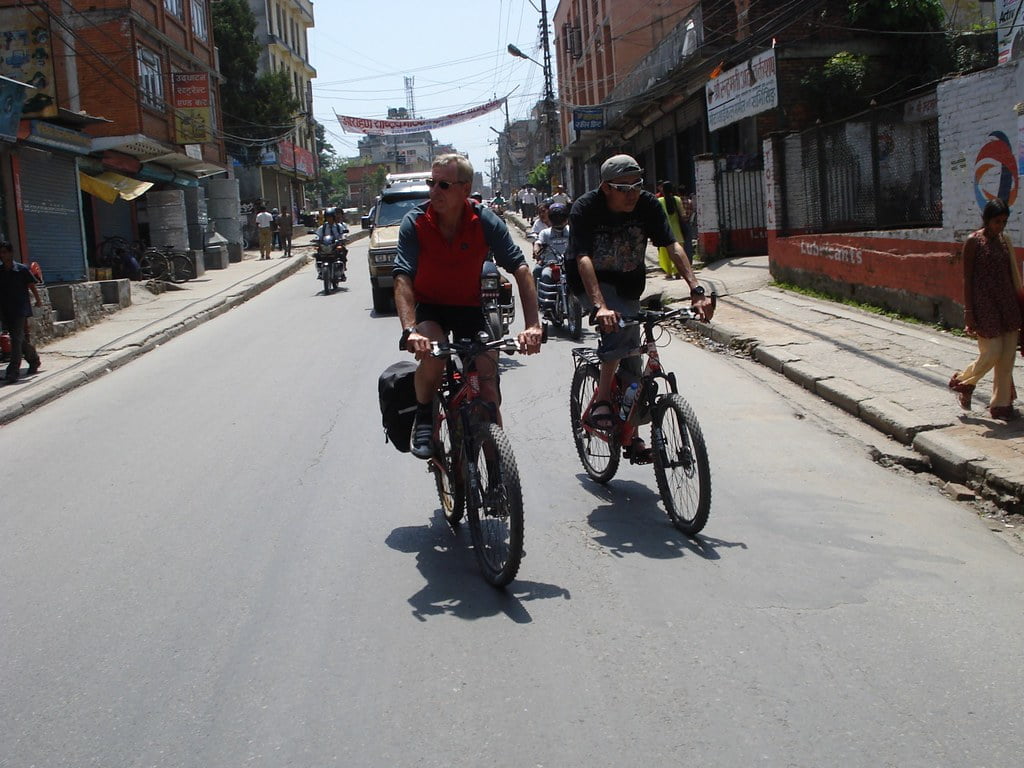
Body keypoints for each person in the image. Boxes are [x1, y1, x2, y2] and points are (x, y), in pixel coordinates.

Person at [393, 153, 543, 459]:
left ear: (465, 188)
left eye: (443, 185)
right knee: (434, 353)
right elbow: (402, 278)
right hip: (431, 308)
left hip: (470, 309)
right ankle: (424, 416)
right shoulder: (416, 222)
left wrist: (533, 326)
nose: (434, 191)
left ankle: (498, 468)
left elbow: (521, 269)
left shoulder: (485, 220)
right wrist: (410, 331)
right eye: (431, 183)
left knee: (487, 385)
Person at [566, 154, 714, 461]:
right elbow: (583, 258)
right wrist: (599, 306)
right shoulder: (585, 208)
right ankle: (602, 401)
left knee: (635, 370)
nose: (632, 193)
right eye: (624, 187)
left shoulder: (647, 204)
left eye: (637, 185)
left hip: (629, 284)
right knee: (619, 333)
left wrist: (696, 290)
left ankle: (629, 436)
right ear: (606, 187)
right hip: (590, 282)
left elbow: (671, 245)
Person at [948, 198, 1023, 421]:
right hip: (985, 305)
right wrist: (969, 312)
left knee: (1007, 357)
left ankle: (1001, 405)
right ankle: (963, 382)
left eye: (1004, 221)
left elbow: (1013, 275)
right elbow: (967, 279)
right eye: (997, 221)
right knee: (991, 352)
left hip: (1008, 305)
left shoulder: (1004, 241)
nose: (1000, 226)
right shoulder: (973, 242)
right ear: (986, 219)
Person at [0, 240, 43, 384]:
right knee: (18, 338)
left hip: (19, 309)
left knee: (16, 339)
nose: (2, 255)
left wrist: (38, 300)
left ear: (11, 253)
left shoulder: (21, 269)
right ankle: (34, 359)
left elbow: (31, 285)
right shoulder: (0, 271)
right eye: (0, 253)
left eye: (4, 252)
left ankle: (13, 371)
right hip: (5, 309)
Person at [656, 181, 691, 280]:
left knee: (666, 254)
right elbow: (683, 215)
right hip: (678, 232)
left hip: (665, 232)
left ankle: (669, 273)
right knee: (678, 254)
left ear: (662, 189)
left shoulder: (659, 200)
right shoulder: (677, 199)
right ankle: (677, 272)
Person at [533, 202, 569, 288]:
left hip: (569, 264)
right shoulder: (545, 233)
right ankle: (541, 299)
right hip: (550, 265)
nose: (558, 220)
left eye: (560, 217)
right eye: (555, 217)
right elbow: (538, 243)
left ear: (566, 218)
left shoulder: (572, 231)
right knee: (544, 275)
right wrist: (536, 250)